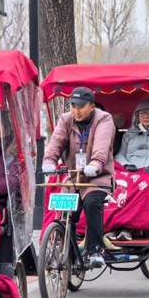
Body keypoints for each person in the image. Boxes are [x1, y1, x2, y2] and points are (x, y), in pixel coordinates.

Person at [42, 87, 116, 268]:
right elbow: (56, 141)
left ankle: (95, 250)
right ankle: (68, 252)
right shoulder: (66, 119)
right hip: (73, 178)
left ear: (91, 106)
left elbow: (102, 144)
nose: (76, 111)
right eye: (73, 106)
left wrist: (97, 163)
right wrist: (49, 160)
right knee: (64, 213)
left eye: (80, 107)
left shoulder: (104, 119)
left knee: (91, 203)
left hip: (97, 177)